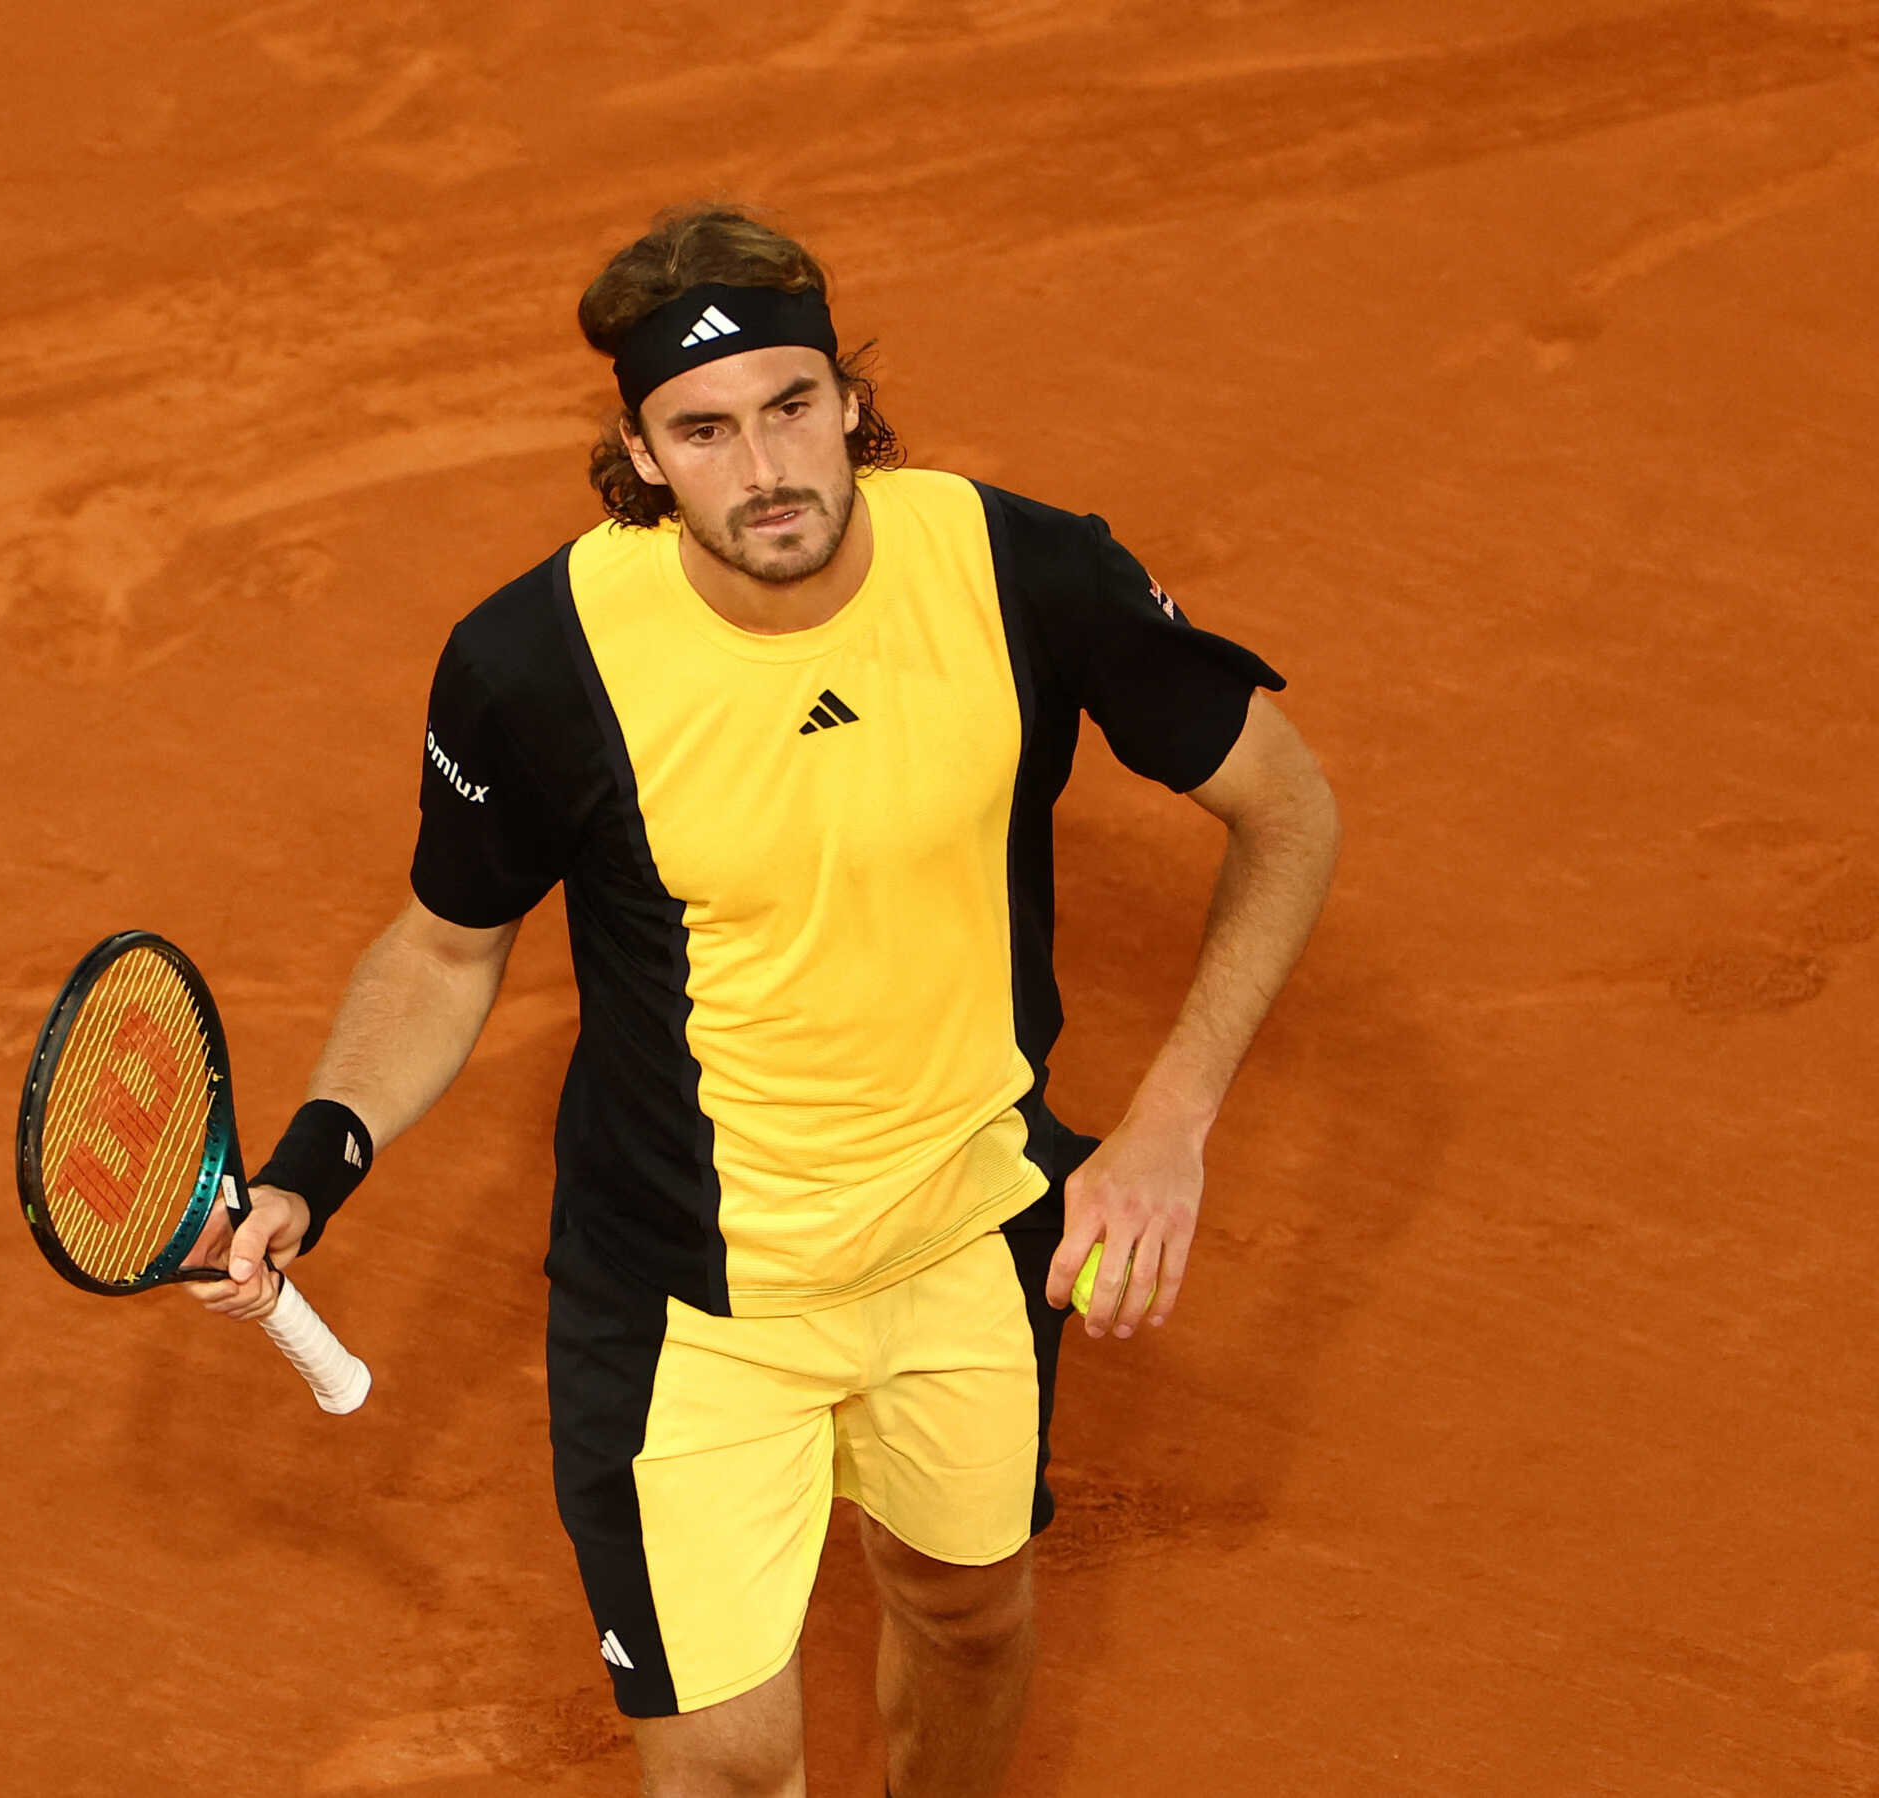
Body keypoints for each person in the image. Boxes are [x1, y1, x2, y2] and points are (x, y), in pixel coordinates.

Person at [191, 204, 1341, 1798]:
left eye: (795, 407)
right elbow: (447, 948)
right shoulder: (540, 662)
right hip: (690, 1307)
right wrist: (314, 1161)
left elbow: (1290, 809)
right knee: (728, 1769)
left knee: (971, 1615)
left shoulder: (1019, 571)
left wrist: (1168, 1119)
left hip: (968, 1240)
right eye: (706, 430)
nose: (766, 468)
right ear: (643, 453)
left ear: (853, 400)